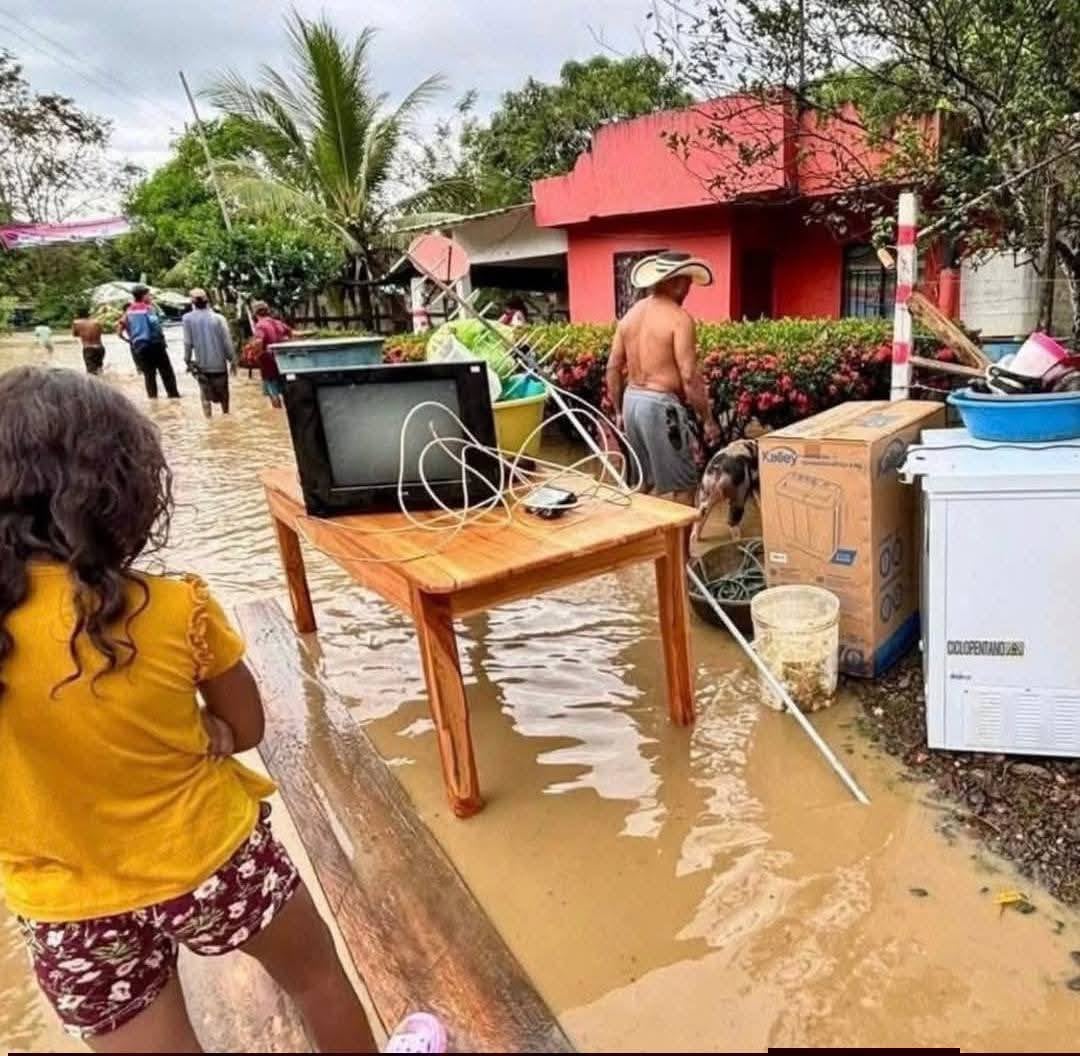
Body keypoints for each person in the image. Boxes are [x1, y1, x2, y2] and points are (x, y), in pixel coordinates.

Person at [0, 367, 446, 1054]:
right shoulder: (176, 609)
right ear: (119, 488)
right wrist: (205, 729)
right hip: (210, 859)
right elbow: (250, 729)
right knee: (315, 975)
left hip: (65, 908)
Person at [606, 251, 721, 504]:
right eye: (687, 282)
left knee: (643, 481)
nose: (689, 288)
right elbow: (690, 376)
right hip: (659, 406)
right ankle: (679, 546)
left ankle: (638, 540)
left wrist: (617, 411)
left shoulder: (630, 315)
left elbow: (613, 367)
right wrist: (708, 420)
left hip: (631, 402)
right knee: (685, 485)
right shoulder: (680, 319)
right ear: (675, 282)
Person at [117, 285, 180, 400]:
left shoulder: (128, 311)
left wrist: (131, 340)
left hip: (140, 347)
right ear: (143, 295)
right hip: (155, 345)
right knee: (167, 373)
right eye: (149, 294)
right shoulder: (148, 308)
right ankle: (173, 397)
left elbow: (119, 332)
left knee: (149, 376)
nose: (150, 297)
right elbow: (155, 325)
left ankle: (153, 401)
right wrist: (162, 339)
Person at [183, 289, 235, 417]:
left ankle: (208, 421)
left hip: (201, 365)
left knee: (205, 396)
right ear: (207, 301)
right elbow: (227, 341)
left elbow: (187, 342)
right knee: (224, 395)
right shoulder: (219, 318)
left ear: (192, 303)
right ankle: (226, 416)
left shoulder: (187, 319)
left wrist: (187, 360)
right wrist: (232, 359)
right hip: (219, 364)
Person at [251, 301, 292, 409]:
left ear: (255, 313)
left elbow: (259, 341)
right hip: (283, 361)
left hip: (268, 362)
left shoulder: (259, 326)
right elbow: (290, 333)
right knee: (286, 390)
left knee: (273, 391)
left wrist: (255, 355)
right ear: (268, 311)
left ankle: (277, 412)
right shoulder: (278, 322)